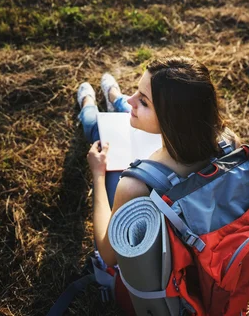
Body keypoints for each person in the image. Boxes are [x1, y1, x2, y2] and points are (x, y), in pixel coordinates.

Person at [77, 56, 238, 268]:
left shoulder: (134, 186)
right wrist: (142, 104)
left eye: (143, 101)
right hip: (208, 252)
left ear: (172, 120)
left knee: (98, 129)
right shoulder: (229, 143)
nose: (131, 100)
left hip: (158, 276)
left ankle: (88, 105)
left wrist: (98, 174)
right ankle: (113, 97)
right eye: (136, 92)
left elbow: (108, 255)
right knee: (127, 113)